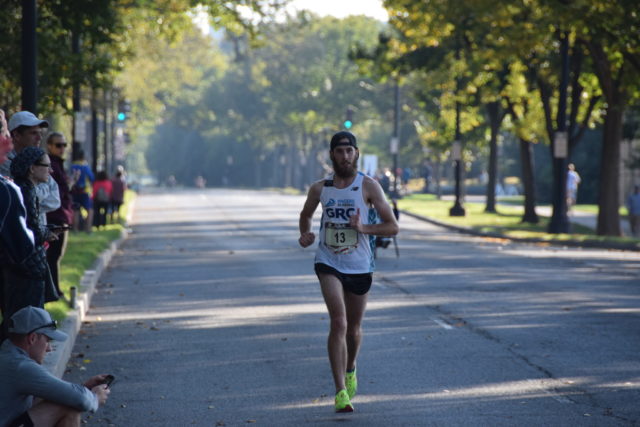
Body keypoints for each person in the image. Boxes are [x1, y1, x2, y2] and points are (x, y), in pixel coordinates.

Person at [298, 131, 399, 412]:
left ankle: (351, 367)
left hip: (359, 264)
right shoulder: (320, 188)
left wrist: (364, 228)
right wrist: (305, 234)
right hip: (328, 261)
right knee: (339, 323)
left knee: (353, 330)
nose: (345, 156)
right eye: (340, 151)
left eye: (349, 151)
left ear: (356, 154)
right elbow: (306, 214)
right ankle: (340, 390)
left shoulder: (369, 187)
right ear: (332, 155)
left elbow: (392, 226)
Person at [0, 306, 110, 426]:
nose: (49, 348)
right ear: (32, 338)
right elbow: (81, 400)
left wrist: (84, 388)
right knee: (67, 406)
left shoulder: (7, 352)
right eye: (47, 341)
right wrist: (95, 398)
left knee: (61, 398)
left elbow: (63, 393)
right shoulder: (21, 366)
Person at [0, 111, 49, 340]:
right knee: (18, 324)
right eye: (5, 135)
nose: (8, 143)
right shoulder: (9, 183)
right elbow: (22, 239)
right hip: (17, 265)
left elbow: (53, 195)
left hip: (20, 262)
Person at [9, 147, 60, 309]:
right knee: (28, 320)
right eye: (46, 166)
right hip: (27, 268)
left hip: (26, 267)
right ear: (32, 168)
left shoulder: (24, 188)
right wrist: (47, 232)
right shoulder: (27, 191)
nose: (50, 170)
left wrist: (46, 229)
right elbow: (32, 232)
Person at [0, 111, 60, 231]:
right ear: (16, 135)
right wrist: (32, 199)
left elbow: (55, 199)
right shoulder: (5, 163)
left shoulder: (40, 160)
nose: (39, 137)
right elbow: (17, 198)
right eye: (33, 133)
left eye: (40, 133)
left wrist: (30, 201)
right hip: (15, 236)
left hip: (38, 234)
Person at [45, 132, 75, 299]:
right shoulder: (50, 164)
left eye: (64, 145)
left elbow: (62, 190)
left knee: (56, 256)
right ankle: (54, 291)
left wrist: (69, 183)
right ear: (49, 146)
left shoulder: (58, 164)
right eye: (58, 145)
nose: (62, 148)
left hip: (62, 214)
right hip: (54, 216)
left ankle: (54, 290)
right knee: (53, 255)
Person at [70, 149, 94, 232]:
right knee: (90, 210)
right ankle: (88, 228)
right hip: (84, 191)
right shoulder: (85, 166)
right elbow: (92, 178)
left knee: (76, 211)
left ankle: (75, 229)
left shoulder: (72, 165)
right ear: (83, 157)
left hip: (74, 191)